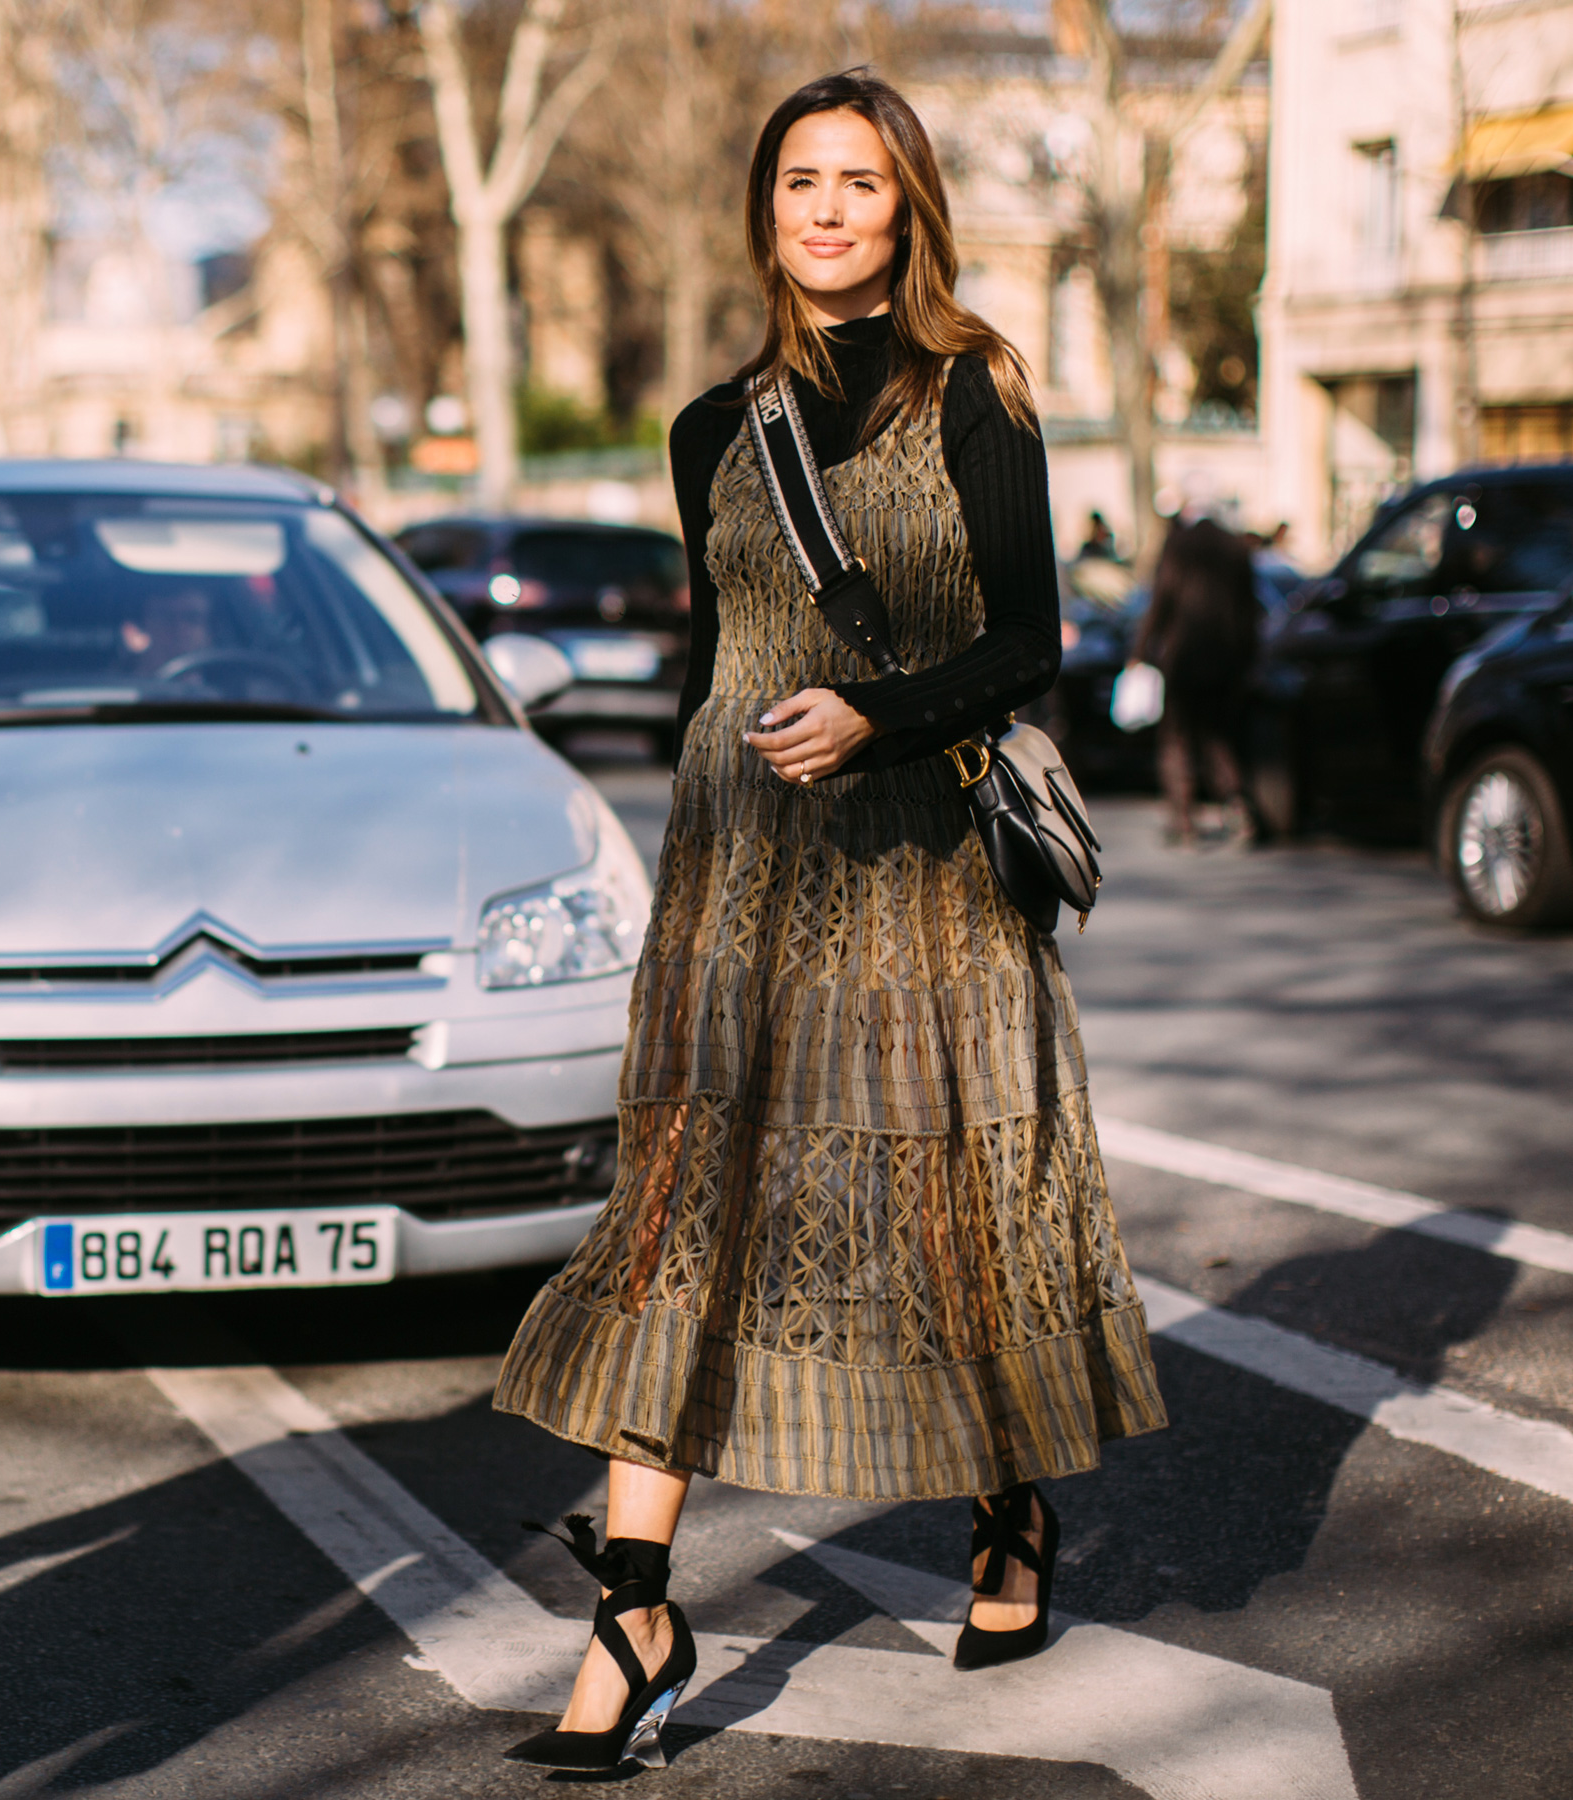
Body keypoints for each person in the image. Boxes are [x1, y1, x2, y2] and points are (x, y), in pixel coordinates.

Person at [491, 69, 1166, 1772]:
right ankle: (634, 1603)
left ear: (907, 205)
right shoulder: (714, 429)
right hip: (740, 876)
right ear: (767, 205)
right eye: (802, 178)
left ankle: (1007, 1503)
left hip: (921, 880)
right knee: (692, 1212)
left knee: (940, 1212)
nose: (827, 208)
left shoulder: (977, 390)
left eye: (861, 181)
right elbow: (727, 664)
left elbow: (1033, 647)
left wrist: (882, 715)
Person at [1135, 514, 1261, 845]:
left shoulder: (1180, 546)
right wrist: (1249, 659)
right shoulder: (1236, 547)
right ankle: (1239, 807)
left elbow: (1161, 600)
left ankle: (1184, 821)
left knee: (1176, 740)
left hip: (1183, 660)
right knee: (1218, 737)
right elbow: (1249, 610)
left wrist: (1139, 651)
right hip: (1226, 660)